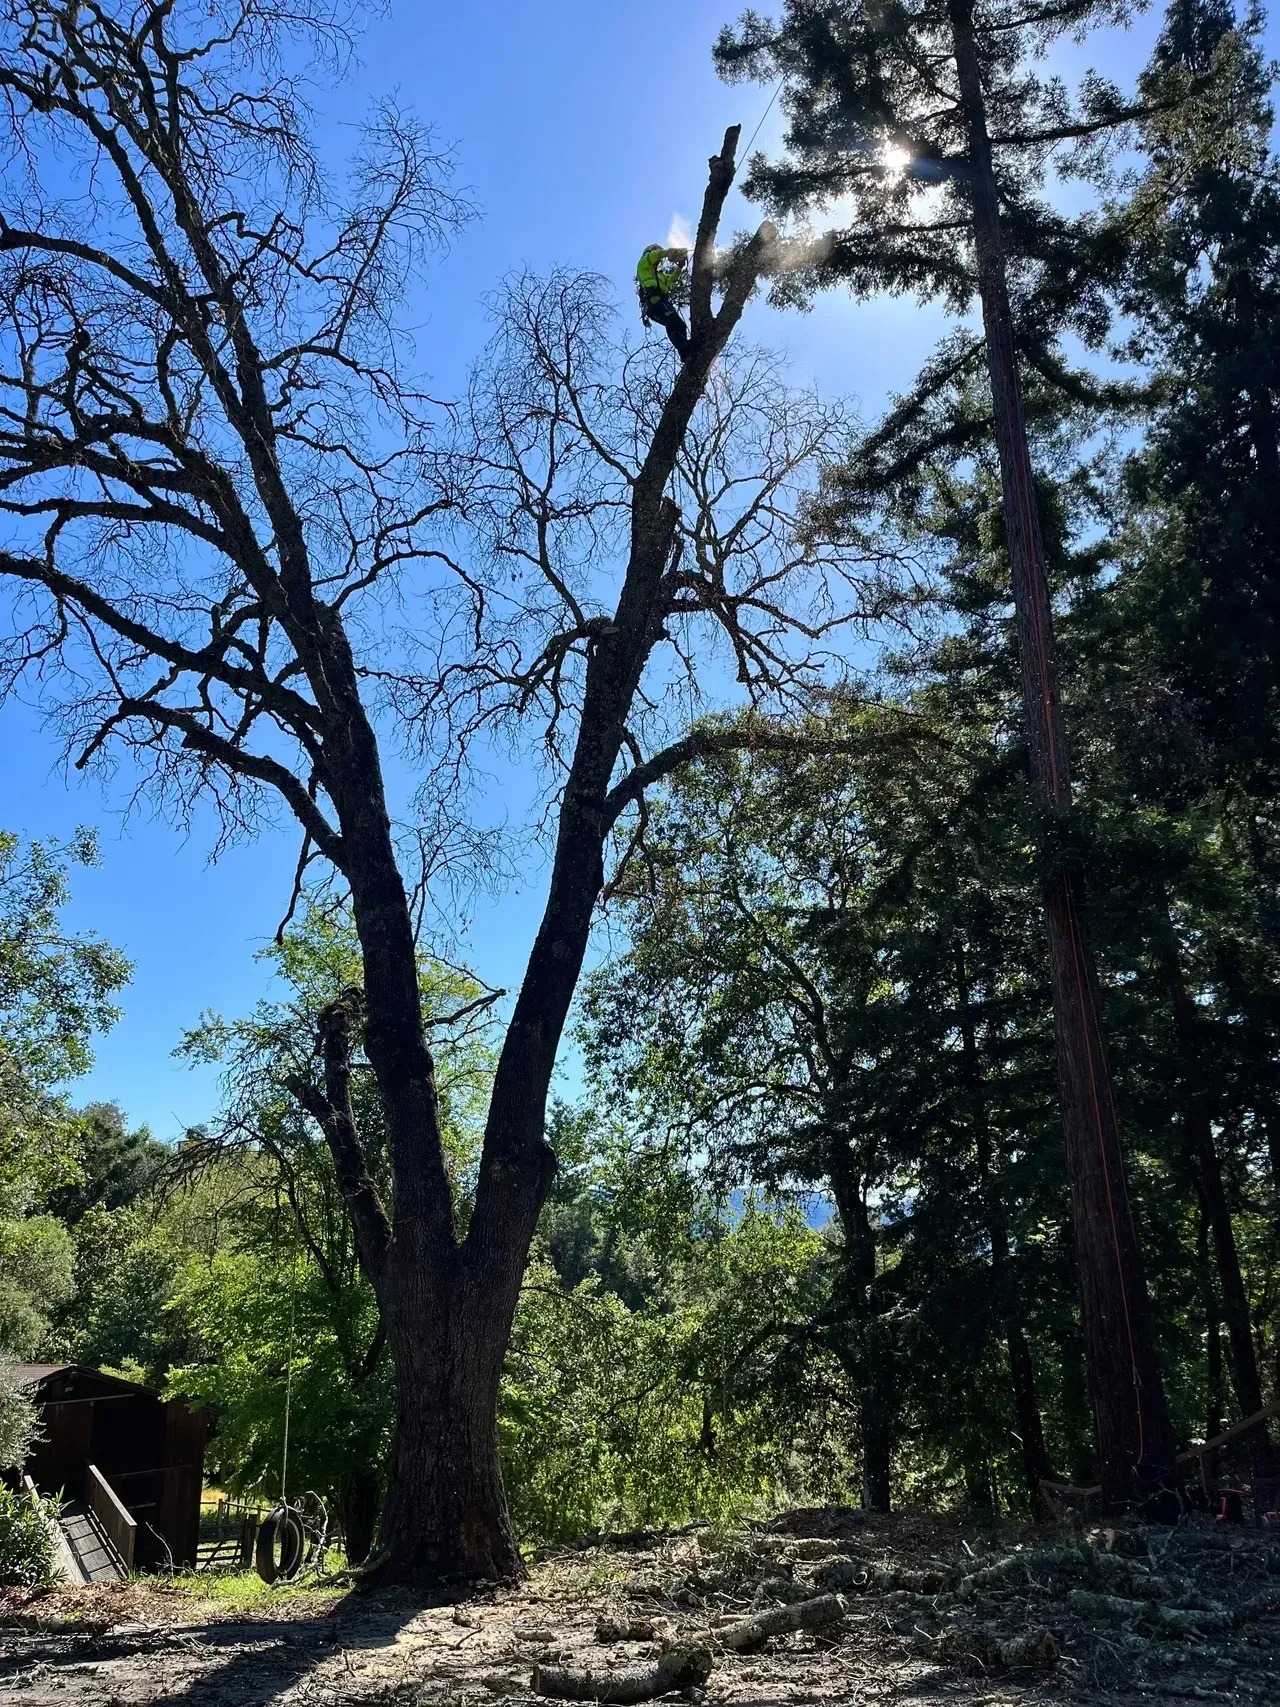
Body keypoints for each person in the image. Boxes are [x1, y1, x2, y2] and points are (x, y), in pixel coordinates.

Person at [636, 244, 690, 361]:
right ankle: (684, 348)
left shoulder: (660, 275)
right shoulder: (643, 265)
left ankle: (685, 352)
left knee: (680, 325)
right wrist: (669, 253)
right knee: (672, 322)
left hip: (662, 302)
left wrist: (680, 267)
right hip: (654, 303)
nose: (659, 260)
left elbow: (671, 280)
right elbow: (653, 256)